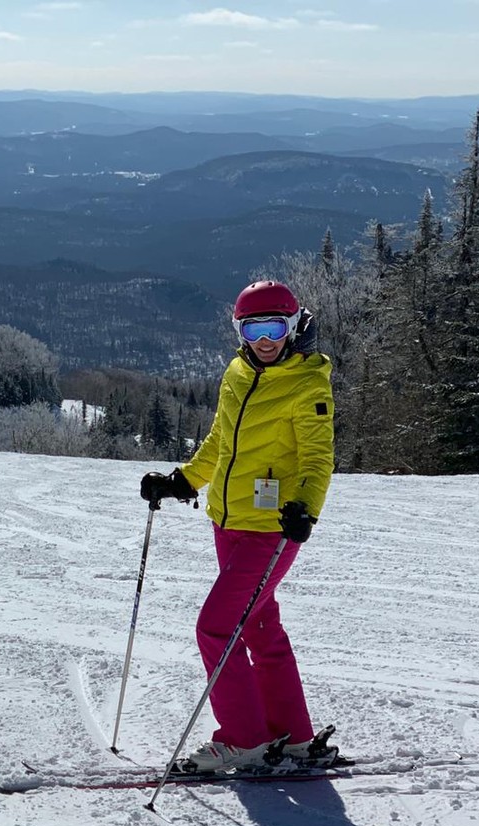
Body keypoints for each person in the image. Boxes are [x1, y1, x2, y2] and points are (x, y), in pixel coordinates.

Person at [140, 280, 336, 772]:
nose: (264, 340)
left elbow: (317, 458)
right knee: (259, 625)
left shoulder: (307, 382)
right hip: (227, 522)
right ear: (239, 331)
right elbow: (220, 443)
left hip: (272, 530)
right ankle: (291, 736)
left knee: (215, 626)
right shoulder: (237, 372)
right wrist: (184, 480)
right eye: (253, 329)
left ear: (292, 328)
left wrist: (304, 508)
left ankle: (244, 739)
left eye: (274, 328)